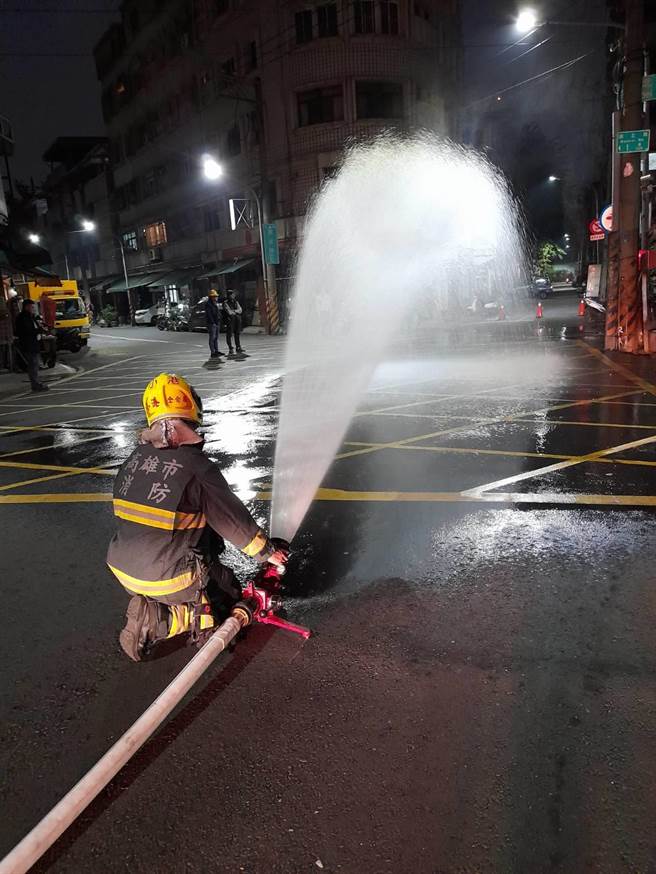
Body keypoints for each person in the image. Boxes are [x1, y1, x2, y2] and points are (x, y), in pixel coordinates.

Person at [107, 372, 287, 661]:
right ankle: (168, 620)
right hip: (169, 579)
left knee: (195, 528)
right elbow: (232, 520)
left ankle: (161, 603)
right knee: (228, 594)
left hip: (124, 571)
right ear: (190, 410)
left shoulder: (133, 460)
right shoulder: (196, 466)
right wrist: (267, 553)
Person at [15, 299, 48, 392]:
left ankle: (36, 383)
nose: (33, 309)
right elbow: (26, 331)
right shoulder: (22, 317)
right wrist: (38, 330)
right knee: (33, 365)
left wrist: (41, 328)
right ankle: (35, 385)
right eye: (31, 307)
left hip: (34, 343)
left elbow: (36, 326)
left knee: (35, 365)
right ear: (26, 307)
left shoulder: (31, 316)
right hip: (29, 344)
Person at [223, 289, 246, 356]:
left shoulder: (236, 302)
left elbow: (240, 310)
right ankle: (230, 348)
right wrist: (235, 311)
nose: (234, 296)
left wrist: (234, 311)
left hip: (237, 320)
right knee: (229, 335)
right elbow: (229, 312)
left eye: (234, 294)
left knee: (237, 333)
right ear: (229, 295)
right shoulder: (225, 303)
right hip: (229, 320)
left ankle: (238, 347)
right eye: (232, 294)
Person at [204, 288, 223, 359]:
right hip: (212, 324)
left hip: (217, 322)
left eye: (216, 296)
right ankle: (212, 352)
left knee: (216, 338)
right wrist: (213, 323)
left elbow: (217, 313)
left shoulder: (215, 303)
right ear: (211, 297)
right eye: (215, 296)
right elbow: (209, 315)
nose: (216, 297)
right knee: (212, 338)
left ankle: (216, 351)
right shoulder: (208, 304)